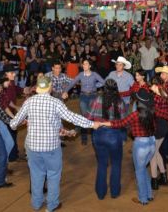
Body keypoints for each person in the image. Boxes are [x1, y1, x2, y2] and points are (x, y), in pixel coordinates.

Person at [9, 76, 100, 212]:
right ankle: (52, 205)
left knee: (36, 174)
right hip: (51, 146)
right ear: (50, 87)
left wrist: (21, 123)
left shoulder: (29, 102)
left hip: (32, 147)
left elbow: (13, 123)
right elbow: (72, 117)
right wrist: (92, 124)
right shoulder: (55, 103)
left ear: (37, 88)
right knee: (53, 175)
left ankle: (36, 203)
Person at [102, 88, 156, 205]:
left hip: (141, 145)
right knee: (143, 169)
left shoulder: (135, 115)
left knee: (139, 171)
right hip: (152, 143)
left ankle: (143, 198)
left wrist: (103, 123)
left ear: (139, 102)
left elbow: (120, 123)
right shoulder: (152, 112)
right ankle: (149, 194)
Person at [86, 79, 127, 200]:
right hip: (114, 135)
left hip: (98, 135)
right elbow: (124, 121)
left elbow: (88, 117)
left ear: (104, 89)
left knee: (102, 164)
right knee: (116, 164)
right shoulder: (120, 102)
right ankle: (114, 192)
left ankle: (100, 193)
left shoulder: (97, 100)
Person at [62, 59, 105, 145]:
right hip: (83, 97)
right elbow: (72, 83)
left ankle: (94, 137)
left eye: (86, 64)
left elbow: (103, 82)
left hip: (93, 96)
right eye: (83, 64)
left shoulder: (94, 74)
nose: (84, 65)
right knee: (84, 117)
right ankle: (84, 137)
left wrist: (95, 86)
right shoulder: (81, 74)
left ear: (89, 66)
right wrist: (65, 91)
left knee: (92, 117)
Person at [149, 65, 168, 190]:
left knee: (153, 152)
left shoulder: (167, 88)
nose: (161, 75)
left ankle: (154, 180)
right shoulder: (164, 87)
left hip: (161, 123)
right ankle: (163, 177)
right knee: (156, 151)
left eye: (163, 74)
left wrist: (156, 90)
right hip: (163, 122)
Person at [106, 56, 134, 142]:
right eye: (117, 64)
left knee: (123, 120)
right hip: (112, 101)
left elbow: (134, 89)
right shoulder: (111, 74)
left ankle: (123, 138)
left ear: (123, 66)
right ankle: (113, 137)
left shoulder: (128, 76)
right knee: (112, 118)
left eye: (120, 65)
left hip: (124, 101)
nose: (118, 66)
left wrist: (123, 94)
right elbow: (105, 83)